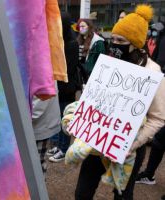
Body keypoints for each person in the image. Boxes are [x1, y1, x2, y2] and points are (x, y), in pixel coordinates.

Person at [69, 4, 165, 199]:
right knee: (82, 192)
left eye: (120, 40)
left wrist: (134, 142)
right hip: (96, 143)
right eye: (112, 38)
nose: (114, 44)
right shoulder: (107, 64)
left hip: (128, 150)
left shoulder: (153, 72)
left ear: (136, 44)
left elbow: (158, 117)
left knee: (123, 195)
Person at [47, 13, 81, 162]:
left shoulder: (72, 43)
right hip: (60, 86)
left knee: (65, 118)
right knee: (58, 116)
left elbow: (69, 68)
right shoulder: (61, 41)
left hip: (67, 88)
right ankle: (59, 145)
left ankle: (64, 148)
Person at [32, 88, 61, 176]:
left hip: (39, 124)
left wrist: (20, 117)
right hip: (38, 122)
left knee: (36, 165)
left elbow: (42, 97)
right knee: (36, 163)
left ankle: (38, 189)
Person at [76, 18, 106, 83]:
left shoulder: (97, 42)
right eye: (80, 26)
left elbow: (101, 60)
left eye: (83, 26)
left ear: (89, 27)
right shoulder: (79, 39)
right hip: (81, 73)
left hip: (91, 75)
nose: (81, 28)